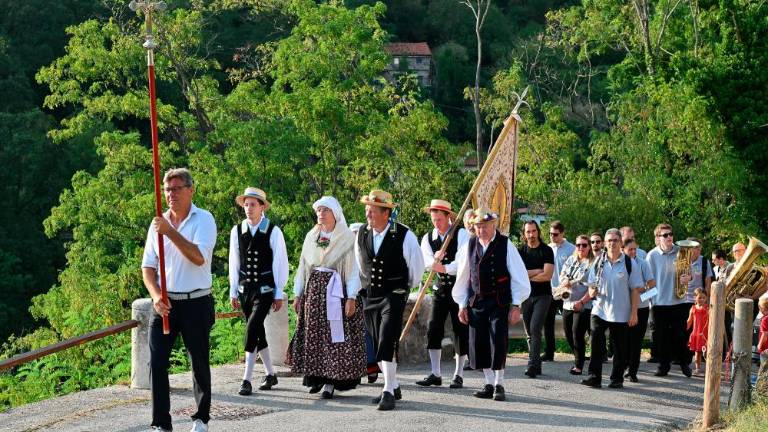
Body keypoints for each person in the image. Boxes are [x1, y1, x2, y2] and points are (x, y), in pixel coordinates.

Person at [141, 168, 217, 432]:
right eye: (167, 189)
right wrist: (155, 295)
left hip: (196, 302)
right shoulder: (158, 224)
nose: (170, 194)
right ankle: (161, 423)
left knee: (198, 360)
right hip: (165, 303)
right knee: (158, 362)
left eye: (176, 188)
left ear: (190, 190)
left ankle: (201, 418)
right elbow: (148, 267)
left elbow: (198, 257)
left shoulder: (203, 219)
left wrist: (170, 232)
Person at [289, 196, 366, 399]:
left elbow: (351, 270)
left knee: (334, 337)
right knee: (314, 336)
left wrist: (351, 297)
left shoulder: (346, 237)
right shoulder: (312, 236)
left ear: (335, 213)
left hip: (335, 292)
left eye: (325, 210)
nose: (321, 214)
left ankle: (331, 381)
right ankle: (316, 377)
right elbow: (303, 266)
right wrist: (297, 294)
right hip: (314, 292)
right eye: (318, 210)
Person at [355, 190, 425, 411]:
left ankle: (387, 391)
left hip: (393, 295)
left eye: (372, 212)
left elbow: (416, 269)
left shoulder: (404, 234)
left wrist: (402, 288)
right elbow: (361, 264)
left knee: (387, 340)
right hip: (371, 296)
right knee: (377, 342)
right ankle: (394, 385)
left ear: (387, 213)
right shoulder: (362, 233)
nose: (368, 216)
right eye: (367, 211)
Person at [453, 207, 530, 401]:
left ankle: (499, 384)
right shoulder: (469, 246)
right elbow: (463, 276)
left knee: (497, 340)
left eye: (485, 225)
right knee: (478, 342)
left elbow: (519, 275)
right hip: (477, 301)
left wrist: (516, 304)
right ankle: (488, 382)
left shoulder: (505, 244)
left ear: (493, 224)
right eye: (478, 226)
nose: (481, 230)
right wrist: (462, 304)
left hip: (499, 301)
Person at [228, 187, 288, 396]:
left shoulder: (273, 231)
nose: (248, 208)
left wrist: (278, 292)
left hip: (265, 289)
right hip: (245, 289)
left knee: (252, 328)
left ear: (262, 207)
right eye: (246, 204)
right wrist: (233, 290)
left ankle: (246, 379)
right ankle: (271, 374)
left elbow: (280, 263)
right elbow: (234, 262)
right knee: (258, 332)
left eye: (253, 204)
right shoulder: (237, 231)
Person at [416, 200, 470, 389]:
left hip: (459, 287)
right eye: (433, 219)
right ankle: (436, 373)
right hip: (440, 288)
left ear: (449, 217)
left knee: (460, 330)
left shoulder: (461, 234)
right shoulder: (427, 238)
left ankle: (459, 374)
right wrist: (435, 262)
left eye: (439, 219)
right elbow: (427, 260)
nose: (436, 223)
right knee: (433, 328)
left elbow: (463, 262)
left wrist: (444, 266)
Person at [581, 228, 643, 389]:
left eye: (615, 240)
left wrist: (634, 312)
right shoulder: (598, 261)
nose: (612, 243)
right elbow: (591, 287)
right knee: (595, 341)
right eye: (609, 241)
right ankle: (594, 376)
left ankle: (616, 379)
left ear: (621, 243)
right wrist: (591, 291)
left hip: (621, 312)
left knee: (620, 348)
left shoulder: (630, 263)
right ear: (605, 243)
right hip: (600, 309)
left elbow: (635, 289)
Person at [645, 223, 692, 378]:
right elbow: (648, 280)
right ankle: (663, 366)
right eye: (665, 235)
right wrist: (648, 300)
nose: (669, 237)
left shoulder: (681, 252)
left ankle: (684, 363)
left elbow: (689, 273)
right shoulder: (652, 255)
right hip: (659, 303)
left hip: (679, 302)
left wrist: (688, 278)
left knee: (680, 335)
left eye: (670, 234)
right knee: (661, 337)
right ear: (658, 238)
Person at [519, 220, 554, 378]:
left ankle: (532, 364)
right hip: (526, 296)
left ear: (538, 232)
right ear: (524, 234)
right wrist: (536, 271)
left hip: (543, 296)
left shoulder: (546, 251)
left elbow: (547, 275)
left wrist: (528, 275)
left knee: (534, 329)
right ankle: (537, 364)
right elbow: (519, 275)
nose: (531, 235)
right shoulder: (521, 252)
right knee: (529, 332)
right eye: (528, 232)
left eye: (533, 231)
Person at [556, 234, 594, 375]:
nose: (581, 248)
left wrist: (582, 302)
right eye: (578, 245)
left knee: (577, 333)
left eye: (584, 245)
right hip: (568, 303)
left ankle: (578, 365)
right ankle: (580, 356)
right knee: (568, 335)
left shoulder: (592, 264)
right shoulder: (571, 260)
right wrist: (565, 281)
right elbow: (562, 275)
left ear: (589, 247)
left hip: (584, 304)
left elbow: (592, 288)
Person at [623, 238, 656, 382]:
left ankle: (633, 371)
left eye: (634, 249)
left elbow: (653, 288)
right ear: (623, 249)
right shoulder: (620, 263)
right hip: (623, 308)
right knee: (624, 341)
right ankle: (622, 366)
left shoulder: (643, 263)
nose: (633, 252)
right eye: (630, 249)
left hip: (641, 309)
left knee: (636, 341)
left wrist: (642, 296)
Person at [544, 221, 575, 361]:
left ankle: (577, 351)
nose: (552, 237)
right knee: (548, 323)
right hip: (550, 291)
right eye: (550, 234)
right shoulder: (547, 248)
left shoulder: (571, 249)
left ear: (562, 233)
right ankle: (549, 352)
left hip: (566, 292)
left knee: (570, 324)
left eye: (555, 234)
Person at [686, 288, 709, 376]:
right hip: (696, 333)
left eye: (703, 298)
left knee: (707, 352)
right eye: (699, 297)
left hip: (705, 334)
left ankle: (709, 368)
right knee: (697, 352)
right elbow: (689, 321)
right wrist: (684, 330)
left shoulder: (708, 308)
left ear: (706, 298)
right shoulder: (693, 309)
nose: (702, 300)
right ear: (695, 297)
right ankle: (697, 368)